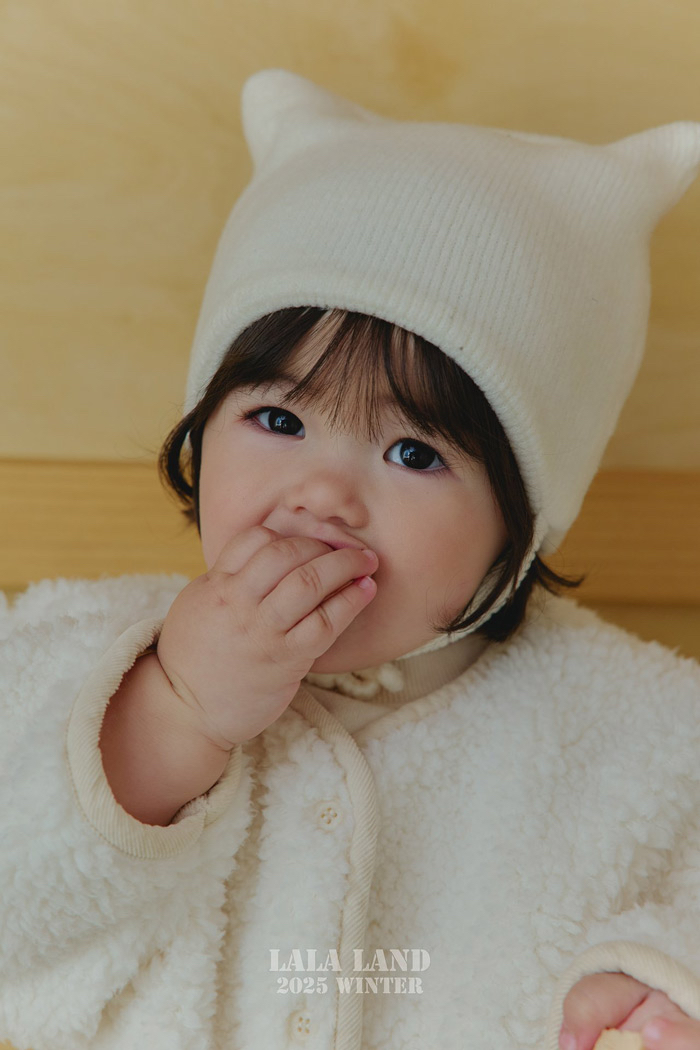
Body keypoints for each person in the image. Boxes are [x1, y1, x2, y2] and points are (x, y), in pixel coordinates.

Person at [1, 67, 699, 1050]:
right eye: (279, 420)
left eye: (413, 453)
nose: (323, 494)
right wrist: (175, 711)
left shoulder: (638, 731)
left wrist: (660, 982)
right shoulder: (63, 654)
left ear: (522, 520)